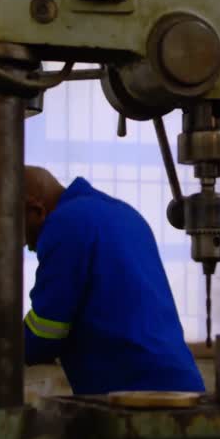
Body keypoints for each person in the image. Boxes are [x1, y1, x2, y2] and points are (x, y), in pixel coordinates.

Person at [21, 166, 204, 396]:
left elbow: (46, 331)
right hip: (183, 387)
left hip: (134, 394)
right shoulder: (126, 214)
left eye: (29, 239)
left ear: (36, 209)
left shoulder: (64, 223)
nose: (30, 247)